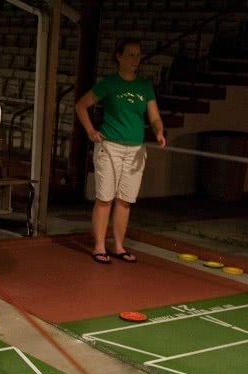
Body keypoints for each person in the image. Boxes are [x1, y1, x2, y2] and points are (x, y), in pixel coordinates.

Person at [75, 38, 166, 265]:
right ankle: (99, 246)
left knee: (125, 200)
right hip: (110, 146)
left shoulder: (145, 86)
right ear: (119, 56)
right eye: (131, 55)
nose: (135, 60)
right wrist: (90, 131)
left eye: (138, 56)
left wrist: (158, 131)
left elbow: (154, 116)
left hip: (135, 149)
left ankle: (118, 246)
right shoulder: (109, 83)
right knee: (105, 198)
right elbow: (81, 105)